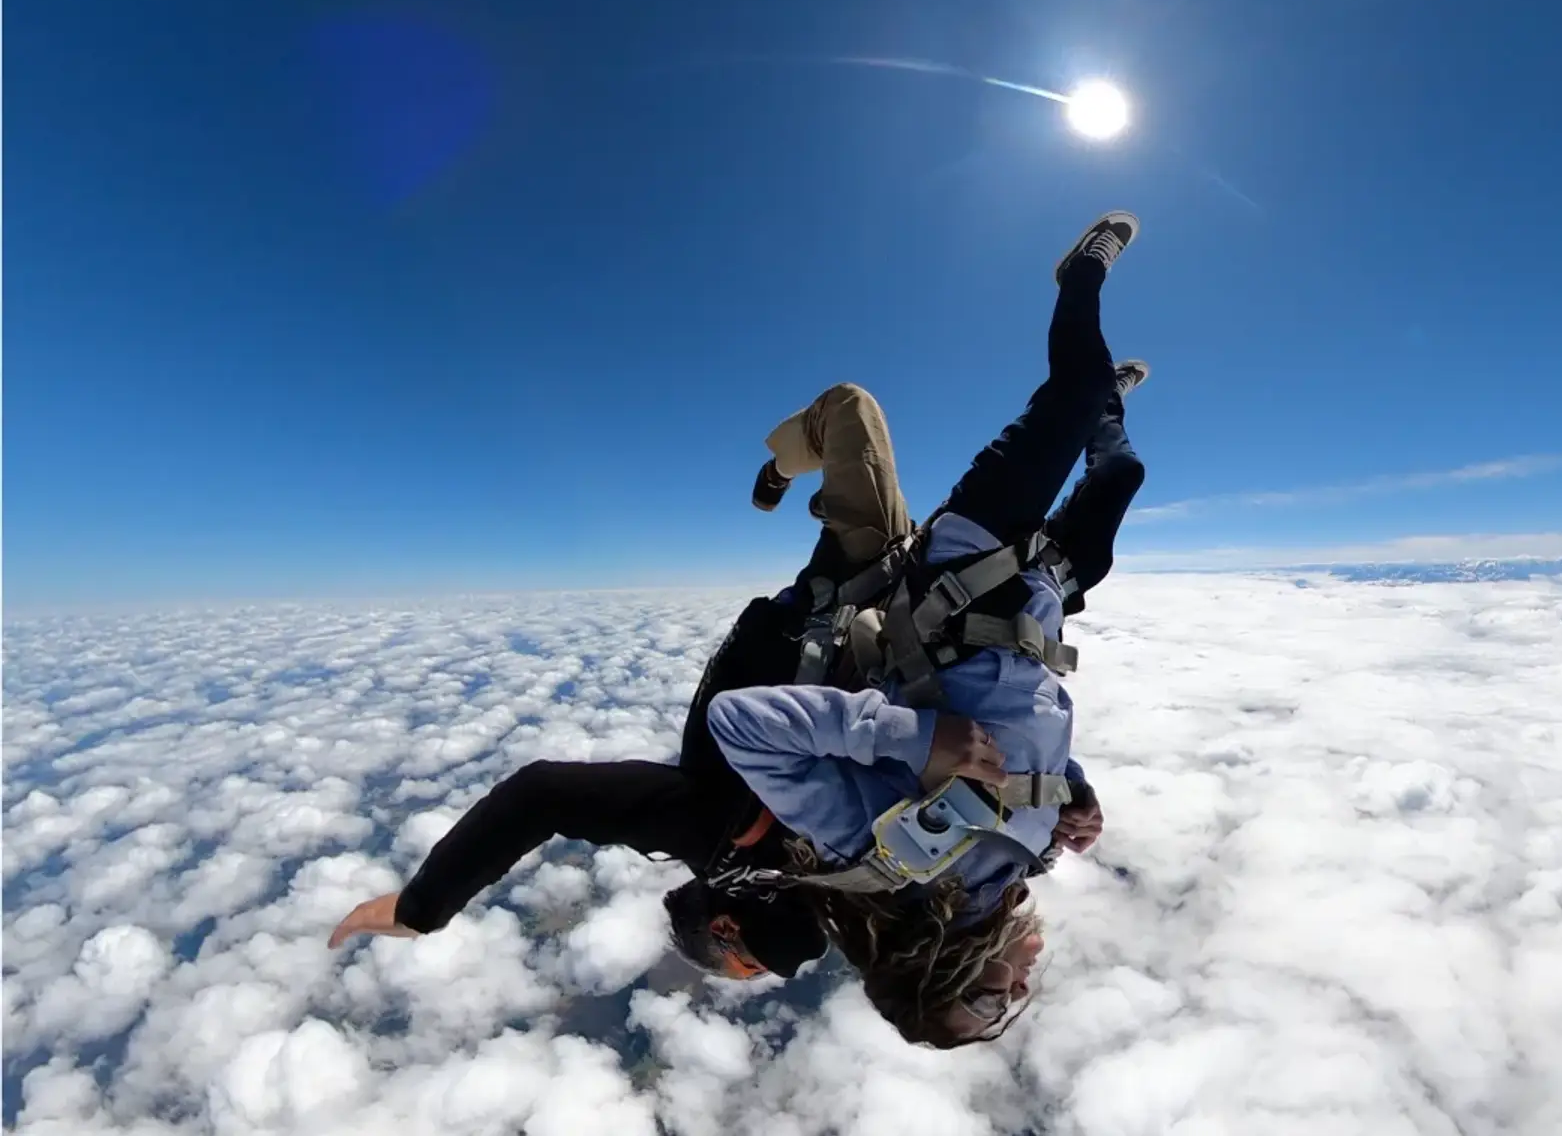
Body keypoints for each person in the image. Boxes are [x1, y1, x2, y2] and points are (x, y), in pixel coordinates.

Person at [326, 214, 1149, 1014]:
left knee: (851, 411)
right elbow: (992, 800)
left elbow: (542, 794)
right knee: (1087, 516)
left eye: (748, 964)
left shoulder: (704, 827)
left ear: (722, 924)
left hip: (849, 591)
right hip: (925, 632)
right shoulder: (879, 897)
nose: (777, 968)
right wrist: (1062, 794)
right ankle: (1093, 411)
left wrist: (422, 905)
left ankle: (782, 462)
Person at [703, 210, 1144, 1046]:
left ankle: (1079, 276)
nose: (1016, 993)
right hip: (1036, 595)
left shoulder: (885, 858)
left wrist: (917, 739)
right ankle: (1107, 402)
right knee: (1120, 467)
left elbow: (744, 726)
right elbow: (1020, 737)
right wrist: (1074, 793)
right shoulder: (1023, 859)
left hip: (965, 562)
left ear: (937, 970)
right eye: (1002, 1012)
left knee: (1068, 393)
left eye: (987, 1004)